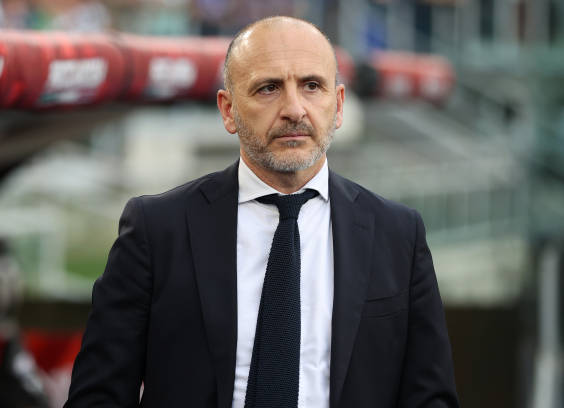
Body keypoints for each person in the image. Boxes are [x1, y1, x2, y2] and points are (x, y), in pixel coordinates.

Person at [65, 16, 459, 408]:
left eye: (312, 86)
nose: (294, 109)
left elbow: (431, 398)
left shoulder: (398, 234)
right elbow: (98, 396)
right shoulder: (156, 230)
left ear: (338, 105)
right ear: (228, 110)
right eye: (268, 88)